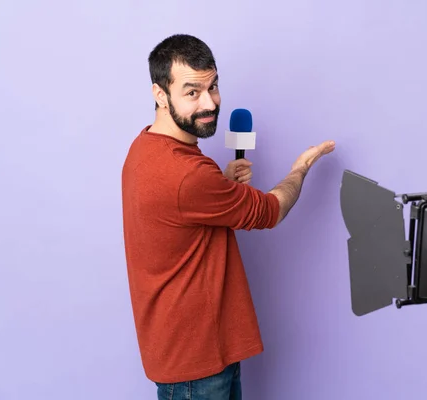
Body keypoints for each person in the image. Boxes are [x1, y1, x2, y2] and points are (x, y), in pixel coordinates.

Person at [121, 33, 335, 400]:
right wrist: (300, 169)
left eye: (214, 86)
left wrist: (220, 184)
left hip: (190, 353)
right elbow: (270, 210)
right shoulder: (188, 176)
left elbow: (178, 213)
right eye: (192, 92)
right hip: (197, 367)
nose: (210, 103)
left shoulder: (145, 147)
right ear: (160, 94)